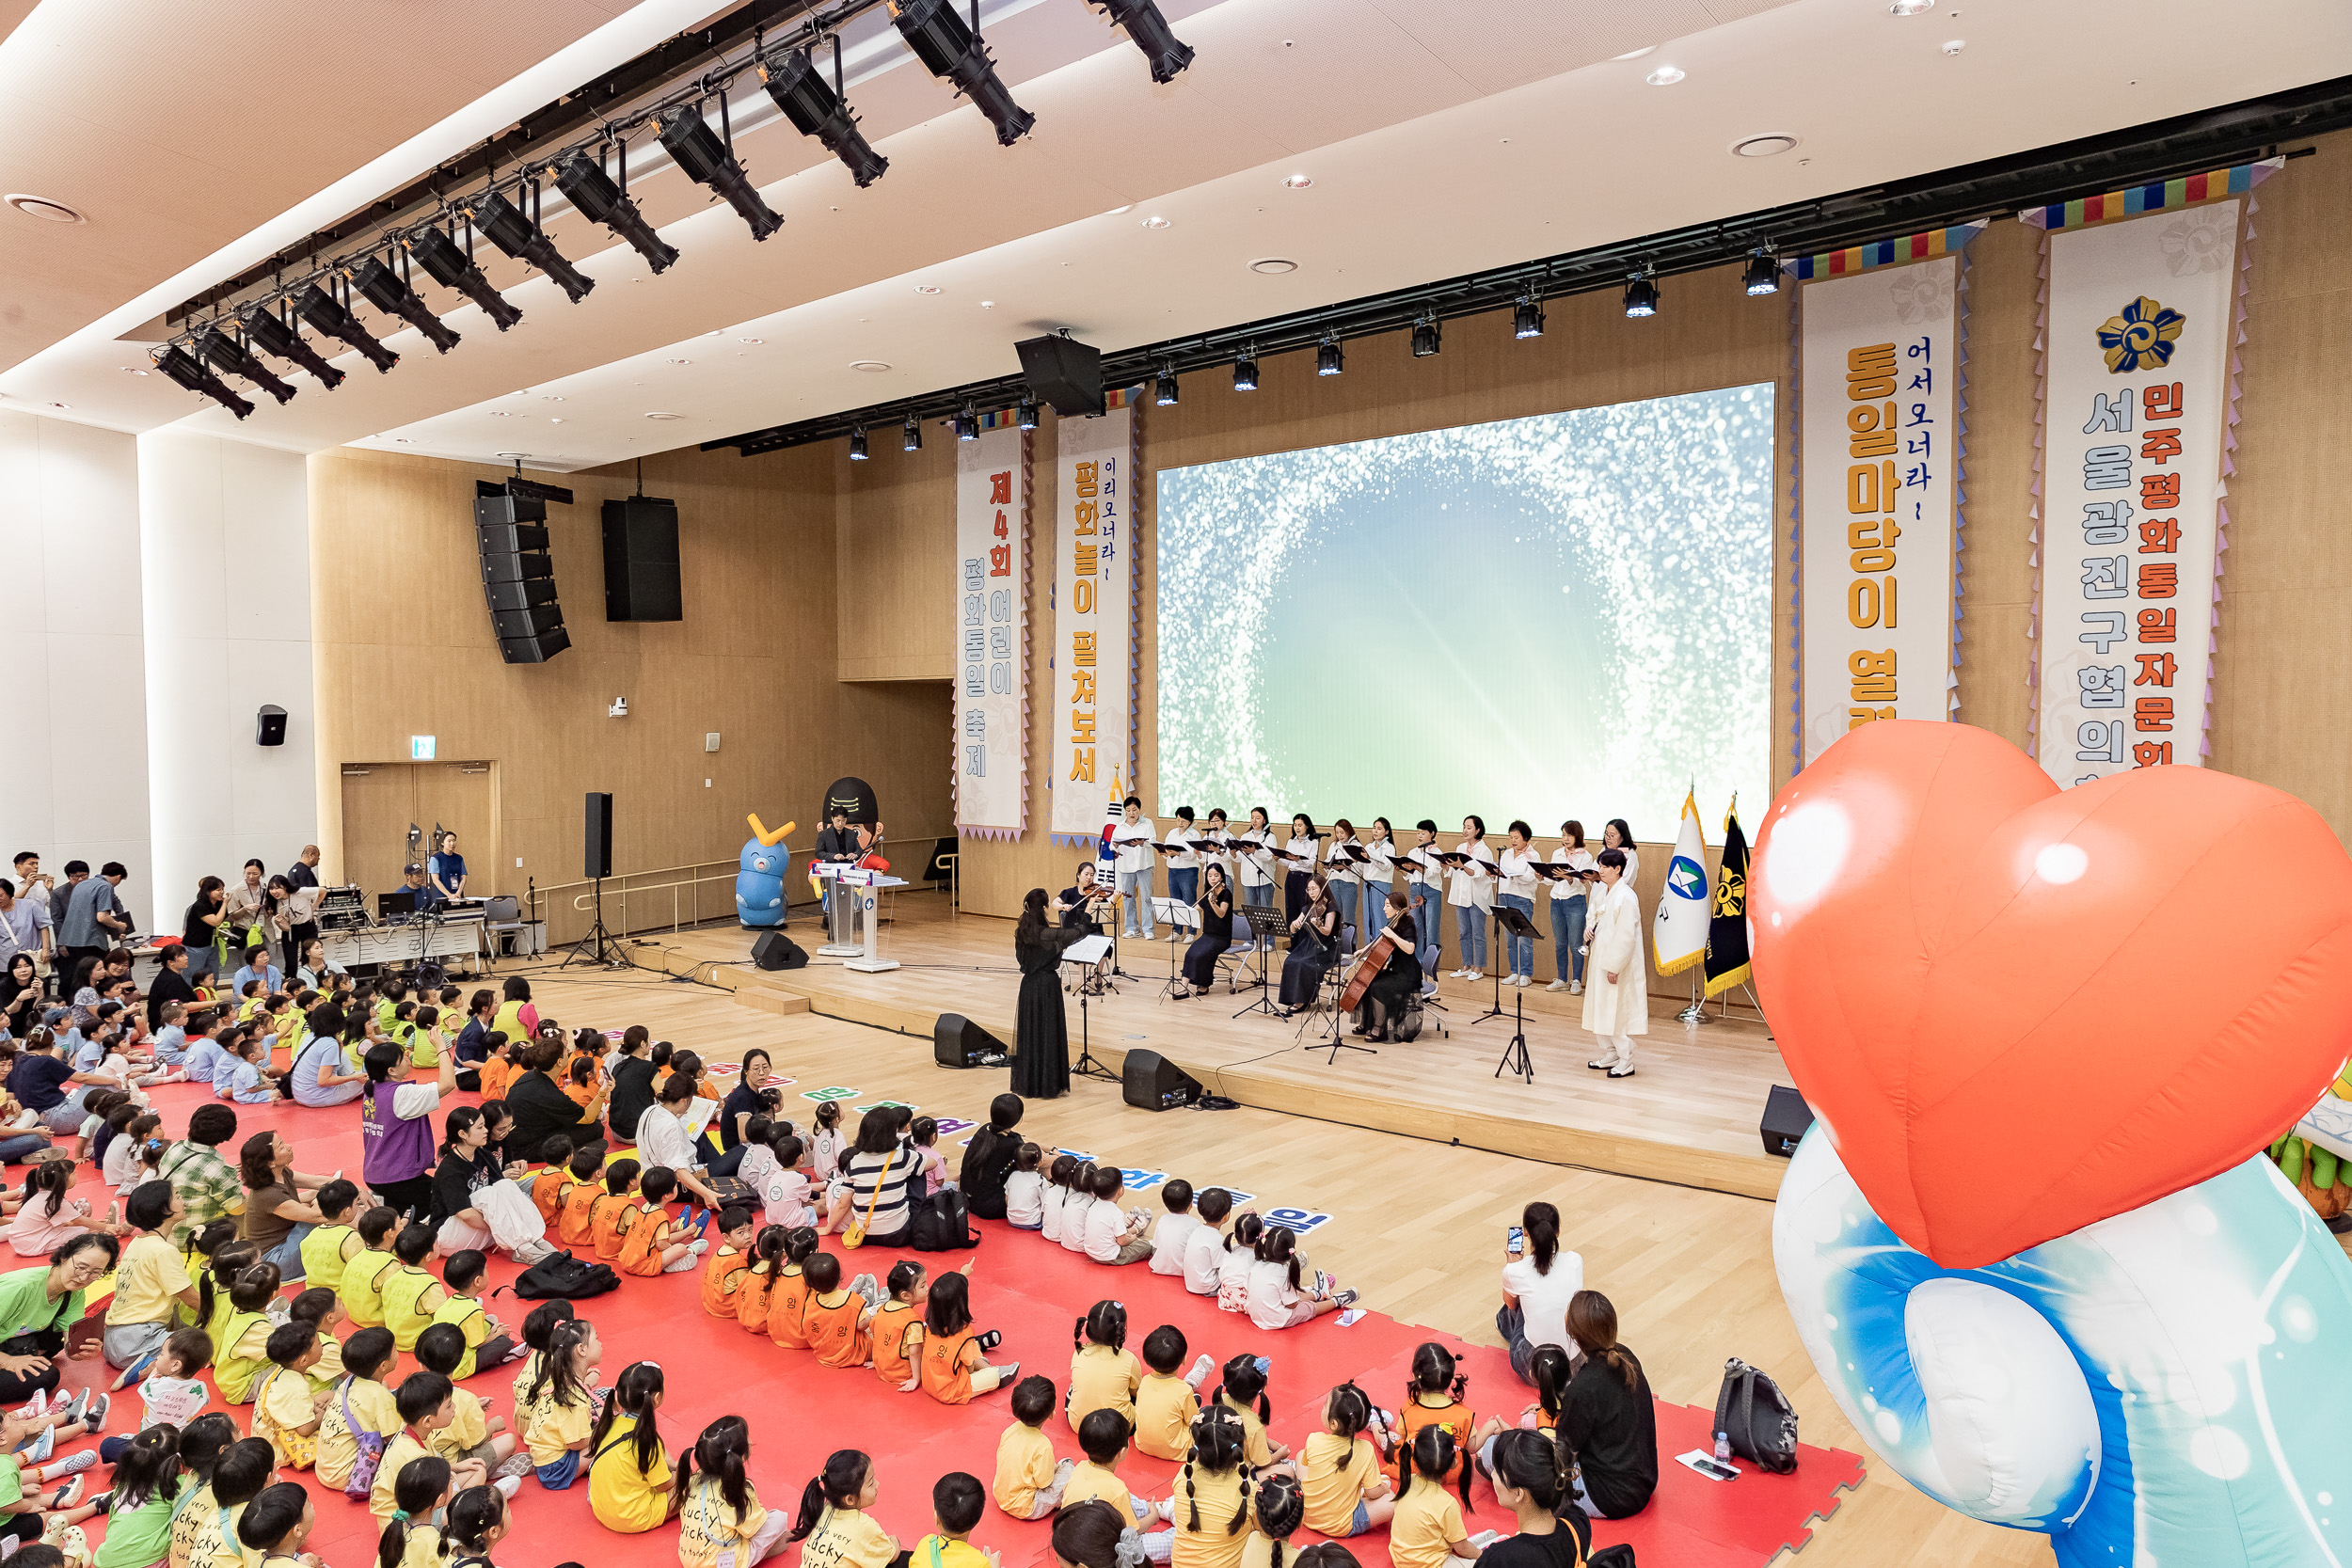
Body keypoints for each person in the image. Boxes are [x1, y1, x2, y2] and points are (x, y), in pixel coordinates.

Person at [1557, 1291, 1656, 1519]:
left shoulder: (1583, 1387)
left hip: (1607, 1496)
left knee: (1500, 1452)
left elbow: (1563, 1454)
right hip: (1642, 1483)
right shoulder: (1626, 1357)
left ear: (1571, 1330)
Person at [0, 1231, 116, 1402]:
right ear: (64, 1257)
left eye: (95, 1272)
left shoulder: (73, 1292)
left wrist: (81, 1350)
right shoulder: (18, 1287)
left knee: (55, 1337)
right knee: (47, 1377)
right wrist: (8, 1362)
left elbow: (71, 1344)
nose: (84, 1277)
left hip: (12, 1338)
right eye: (81, 1267)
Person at [361, 1040, 459, 1223]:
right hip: (397, 1176)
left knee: (403, 1212)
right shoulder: (401, 1094)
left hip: (376, 1172)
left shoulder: (372, 1087)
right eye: (403, 1057)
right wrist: (441, 1048)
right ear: (391, 1070)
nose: (408, 1057)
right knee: (446, 1197)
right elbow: (448, 1084)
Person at [1498, 1201, 1583, 1384]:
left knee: (1510, 1309)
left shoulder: (1516, 1271)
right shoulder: (1575, 1260)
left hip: (1536, 1369)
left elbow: (1510, 1305)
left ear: (1525, 1232)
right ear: (1557, 1231)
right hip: (1574, 1366)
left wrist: (1511, 1265)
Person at [1581, 849, 1646, 1078]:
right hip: (1599, 959)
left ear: (1618, 869)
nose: (1601, 870)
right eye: (1600, 865)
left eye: (1606, 866)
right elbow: (1593, 915)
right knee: (1600, 1007)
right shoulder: (1603, 892)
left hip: (1615, 964)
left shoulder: (1626, 896)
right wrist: (1589, 929)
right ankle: (1610, 1053)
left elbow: (1626, 936)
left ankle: (1626, 1059)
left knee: (1615, 1011)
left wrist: (1614, 966)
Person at [1012, 890, 1081, 1100]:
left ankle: (1030, 1082)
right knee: (1048, 1033)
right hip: (1048, 987)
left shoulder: (1021, 932)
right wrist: (1087, 912)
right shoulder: (1047, 934)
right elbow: (1077, 932)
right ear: (1043, 909)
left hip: (1028, 987)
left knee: (1031, 1032)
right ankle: (1048, 1083)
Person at [238, 1132, 332, 1281]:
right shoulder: (268, 1194)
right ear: (271, 1163)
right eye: (281, 1147)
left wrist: (350, 1188)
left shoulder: (282, 1173)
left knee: (318, 1201)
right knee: (324, 1212)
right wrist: (344, 1195)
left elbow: (317, 1182)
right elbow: (318, 1216)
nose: (289, 1147)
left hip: (285, 1243)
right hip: (277, 1261)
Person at [500, 1036, 603, 1164]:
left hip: (515, 1140)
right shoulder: (549, 1093)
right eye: (565, 1051)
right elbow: (587, 1118)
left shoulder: (530, 1075)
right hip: (528, 1149)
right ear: (559, 1062)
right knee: (596, 1128)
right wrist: (603, 1092)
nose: (568, 1051)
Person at [786, 1447, 893, 1568]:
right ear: (850, 1499)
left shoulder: (822, 1510)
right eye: (871, 1483)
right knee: (901, 1560)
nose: (877, 1484)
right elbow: (891, 1555)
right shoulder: (865, 1525)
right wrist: (894, 1542)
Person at [1347, 893, 1421, 1043]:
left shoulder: (1408, 924)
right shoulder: (1393, 922)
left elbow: (1410, 948)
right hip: (1395, 969)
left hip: (1408, 974)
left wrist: (1393, 936)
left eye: (1387, 905)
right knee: (1368, 983)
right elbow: (1380, 940)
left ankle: (1379, 1028)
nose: (1384, 908)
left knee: (1379, 987)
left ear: (1397, 908)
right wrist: (1364, 950)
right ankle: (1366, 1024)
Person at [840, 1112, 918, 1248]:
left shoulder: (854, 1162)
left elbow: (843, 1203)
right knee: (917, 1171)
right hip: (898, 1235)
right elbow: (933, 1163)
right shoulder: (903, 1156)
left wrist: (827, 1228)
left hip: (864, 1235)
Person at [1277, 876, 1340, 1017]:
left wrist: (1319, 926)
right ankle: (1291, 998)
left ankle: (1302, 1001)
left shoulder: (1330, 907)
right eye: (1309, 889)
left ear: (1322, 889)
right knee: (1290, 961)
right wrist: (1294, 924)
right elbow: (1293, 930)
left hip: (1326, 947)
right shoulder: (1307, 908)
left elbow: (1327, 931)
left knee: (1303, 964)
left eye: (1314, 889)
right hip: (1308, 945)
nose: (1311, 892)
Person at [957, 1094, 1025, 1221]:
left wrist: (1051, 1149)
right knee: (1032, 1169)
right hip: (990, 1207)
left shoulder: (985, 1129)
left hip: (967, 1198)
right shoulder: (1012, 1145)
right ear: (1018, 1118)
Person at [1547, 822, 1597, 995]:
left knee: (1576, 944)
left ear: (1577, 836)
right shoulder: (1557, 853)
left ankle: (1576, 980)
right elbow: (1551, 879)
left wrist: (1569, 878)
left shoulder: (1586, 856)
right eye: (1563, 835)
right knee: (1560, 943)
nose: (1565, 839)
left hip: (1575, 902)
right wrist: (1542, 876)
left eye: (1569, 835)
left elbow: (1582, 881)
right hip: (1556, 901)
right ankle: (1562, 979)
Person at [1445, 818, 1497, 982]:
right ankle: (1466, 966)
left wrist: (1462, 866)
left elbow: (1480, 874)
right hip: (1460, 895)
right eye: (1464, 827)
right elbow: (1454, 872)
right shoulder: (1460, 848)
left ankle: (1478, 968)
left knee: (1478, 934)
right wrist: (1447, 866)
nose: (1465, 830)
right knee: (1464, 932)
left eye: (1469, 827)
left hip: (1477, 897)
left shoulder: (1484, 851)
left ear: (1477, 830)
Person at [289, 1001, 366, 1108]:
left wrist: (339, 1045)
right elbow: (323, 1081)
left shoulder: (310, 1036)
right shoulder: (330, 1044)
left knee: (344, 1057)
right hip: (317, 1097)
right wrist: (354, 1077)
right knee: (372, 1078)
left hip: (299, 1093)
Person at [1173, 863, 1232, 1002]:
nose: (1213, 878)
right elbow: (1195, 910)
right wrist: (1180, 913)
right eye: (1210, 876)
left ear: (1222, 877)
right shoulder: (1208, 893)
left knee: (1203, 955)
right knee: (1190, 953)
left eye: (1216, 875)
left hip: (1222, 937)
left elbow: (1222, 913)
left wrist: (1213, 903)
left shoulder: (1226, 893)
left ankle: (1204, 984)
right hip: (1207, 935)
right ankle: (1183, 989)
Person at [1496, 822, 1543, 988]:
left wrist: (1513, 875)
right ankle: (1515, 971)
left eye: (1516, 837)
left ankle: (1526, 973)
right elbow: (1502, 876)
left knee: (1523, 938)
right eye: (1511, 837)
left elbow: (1530, 878)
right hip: (1505, 896)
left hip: (1522, 898)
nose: (1513, 841)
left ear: (1526, 838)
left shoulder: (1533, 856)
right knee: (1510, 938)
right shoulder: (1507, 853)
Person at [58, 862, 129, 970]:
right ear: (118, 877)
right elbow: (102, 917)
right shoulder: (105, 886)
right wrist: (119, 926)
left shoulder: (81, 885)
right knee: (96, 974)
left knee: (80, 975)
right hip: (91, 941)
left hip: (71, 941)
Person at [1405, 820, 1447, 989]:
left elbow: (1432, 873)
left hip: (1431, 890)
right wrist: (1403, 868)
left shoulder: (1436, 852)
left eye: (1423, 833)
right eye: (1418, 832)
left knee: (1431, 927)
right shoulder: (1413, 851)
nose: (1420, 836)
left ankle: (1431, 964)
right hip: (1415, 889)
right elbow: (1409, 875)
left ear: (1432, 834)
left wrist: (1416, 866)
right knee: (1416, 927)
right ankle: (1417, 961)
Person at [717, 1048, 782, 1152]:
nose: (762, 1073)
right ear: (746, 1071)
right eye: (756, 1069)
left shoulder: (751, 1089)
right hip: (738, 1151)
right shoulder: (743, 1097)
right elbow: (745, 1137)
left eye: (765, 1067)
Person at [1110, 797, 1157, 942]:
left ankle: (1148, 929)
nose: (1131, 813)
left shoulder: (1147, 823)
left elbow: (1153, 841)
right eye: (1128, 810)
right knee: (1128, 898)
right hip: (1126, 866)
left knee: (1147, 897)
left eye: (1134, 810)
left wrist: (1142, 843)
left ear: (1139, 810)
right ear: (1125, 811)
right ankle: (1131, 928)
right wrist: (1115, 846)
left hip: (1144, 864)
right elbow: (1112, 845)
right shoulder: (1120, 826)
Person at [1231, 808, 1277, 953]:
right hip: (1247, 879)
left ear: (1264, 820)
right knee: (1250, 911)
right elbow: (1240, 858)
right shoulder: (1245, 836)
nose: (1254, 821)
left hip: (1264, 879)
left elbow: (1269, 857)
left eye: (1258, 818)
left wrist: (1254, 852)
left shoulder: (1270, 837)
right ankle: (1251, 940)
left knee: (1266, 911)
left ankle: (1269, 941)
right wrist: (1234, 854)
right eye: (1252, 817)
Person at [1323, 820, 1362, 952]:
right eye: (1337, 832)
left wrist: (1347, 867)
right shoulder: (1334, 845)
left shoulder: (1356, 846)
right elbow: (1329, 861)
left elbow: (1360, 868)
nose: (1339, 835)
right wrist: (1327, 866)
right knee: (1335, 916)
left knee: (1349, 917)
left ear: (1348, 831)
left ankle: (1350, 947)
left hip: (1348, 884)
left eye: (1342, 832)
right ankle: (1336, 946)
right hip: (1334, 882)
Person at [146, 943, 199, 1029]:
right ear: (171, 962)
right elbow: (184, 1006)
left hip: (174, 1019)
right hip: (165, 1025)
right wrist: (214, 1003)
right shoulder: (171, 980)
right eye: (181, 956)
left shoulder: (171, 974)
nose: (186, 958)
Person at [1279, 816, 1318, 928]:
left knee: (1303, 908)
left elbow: (1311, 863)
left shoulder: (1313, 842)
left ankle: (1304, 938)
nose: (1297, 828)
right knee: (1290, 908)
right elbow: (1288, 862)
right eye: (1295, 825)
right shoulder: (1291, 841)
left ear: (1307, 826)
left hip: (1304, 877)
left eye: (1300, 825)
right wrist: (1278, 859)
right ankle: (1293, 937)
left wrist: (1298, 860)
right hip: (1291, 876)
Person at [428, 833, 469, 903]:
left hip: (457, 895)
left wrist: (459, 892)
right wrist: (448, 894)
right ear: (442, 843)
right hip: (442, 895)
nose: (452, 843)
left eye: (454, 841)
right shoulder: (435, 858)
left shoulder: (459, 858)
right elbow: (435, 879)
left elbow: (463, 877)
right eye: (449, 841)